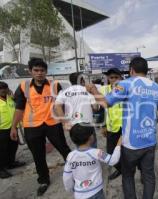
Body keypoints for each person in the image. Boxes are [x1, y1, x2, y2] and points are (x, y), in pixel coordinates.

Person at [86, 57, 158, 199]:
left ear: (131, 70)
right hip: (150, 141)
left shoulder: (125, 84)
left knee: (128, 176)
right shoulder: (157, 87)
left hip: (131, 144)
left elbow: (105, 103)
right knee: (148, 176)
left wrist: (93, 90)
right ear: (146, 71)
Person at [10, 58, 71, 196]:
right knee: (38, 155)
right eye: (36, 70)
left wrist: (65, 121)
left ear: (46, 72)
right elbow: (19, 108)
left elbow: (62, 105)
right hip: (32, 126)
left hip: (53, 123)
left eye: (42, 70)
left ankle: (76, 169)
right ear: (30, 71)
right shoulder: (23, 87)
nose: (39, 73)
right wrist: (14, 127)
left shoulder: (55, 85)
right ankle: (44, 180)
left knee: (64, 148)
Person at [63, 123, 121, 199]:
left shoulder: (70, 156)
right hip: (96, 192)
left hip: (79, 194)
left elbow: (66, 177)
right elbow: (113, 160)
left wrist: (70, 190)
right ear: (91, 137)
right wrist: (118, 144)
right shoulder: (97, 153)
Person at [54, 72, 98, 147]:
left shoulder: (63, 92)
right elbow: (95, 107)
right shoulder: (87, 91)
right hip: (87, 124)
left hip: (73, 125)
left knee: (80, 147)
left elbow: (57, 107)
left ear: (71, 81)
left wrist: (65, 122)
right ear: (82, 80)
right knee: (92, 147)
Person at [99, 68, 123, 180]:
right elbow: (100, 109)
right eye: (111, 77)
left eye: (116, 77)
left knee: (133, 153)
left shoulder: (126, 89)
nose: (113, 80)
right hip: (112, 128)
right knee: (110, 154)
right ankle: (122, 170)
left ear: (121, 78)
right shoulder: (103, 90)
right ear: (108, 78)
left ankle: (142, 171)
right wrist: (103, 125)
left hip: (126, 127)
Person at [0, 81, 25, 179]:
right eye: (1, 88)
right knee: (2, 150)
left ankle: (11, 162)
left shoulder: (10, 98)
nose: (3, 90)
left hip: (13, 127)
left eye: (5, 88)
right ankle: (1, 169)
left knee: (13, 146)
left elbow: (18, 107)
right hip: (2, 129)